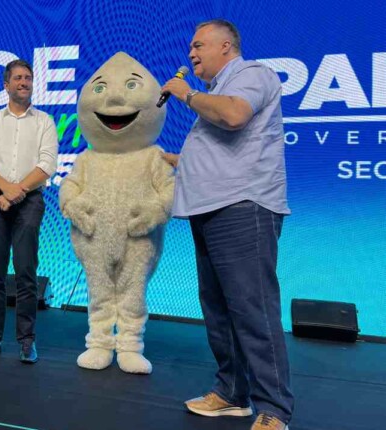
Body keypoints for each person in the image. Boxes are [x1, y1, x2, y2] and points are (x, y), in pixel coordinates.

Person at [160, 19, 293, 430]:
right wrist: (170, 161)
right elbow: (222, 155)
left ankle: (274, 409)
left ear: (226, 46)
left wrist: (186, 93)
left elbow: (235, 116)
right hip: (210, 208)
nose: (191, 54)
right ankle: (233, 393)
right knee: (219, 311)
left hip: (243, 209)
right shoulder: (217, 92)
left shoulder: (251, 74)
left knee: (253, 310)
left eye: (199, 45)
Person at [0, 59, 58, 364]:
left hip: (30, 201)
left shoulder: (44, 121)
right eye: (18, 78)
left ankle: (26, 340)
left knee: (25, 272)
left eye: (28, 78)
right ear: (6, 85)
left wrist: (16, 192)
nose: (24, 82)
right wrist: (6, 189)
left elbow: (47, 165)